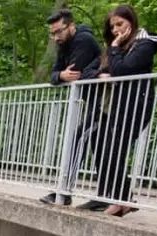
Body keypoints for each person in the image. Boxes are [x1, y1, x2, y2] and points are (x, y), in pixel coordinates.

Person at [79, 4, 157, 216]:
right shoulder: (112, 50)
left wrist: (115, 48)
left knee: (114, 149)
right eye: (113, 26)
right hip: (111, 107)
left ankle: (119, 200)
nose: (116, 30)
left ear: (131, 22)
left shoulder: (145, 43)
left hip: (134, 106)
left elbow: (124, 69)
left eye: (120, 24)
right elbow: (86, 72)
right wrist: (100, 75)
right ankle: (115, 196)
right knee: (97, 141)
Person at [41, 8, 103, 206]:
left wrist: (63, 75)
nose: (56, 36)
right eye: (52, 33)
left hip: (107, 101)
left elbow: (74, 73)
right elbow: (55, 75)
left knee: (80, 138)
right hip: (95, 101)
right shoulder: (64, 45)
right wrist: (59, 76)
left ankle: (64, 191)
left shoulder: (83, 41)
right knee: (100, 146)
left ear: (71, 26)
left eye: (59, 31)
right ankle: (115, 194)